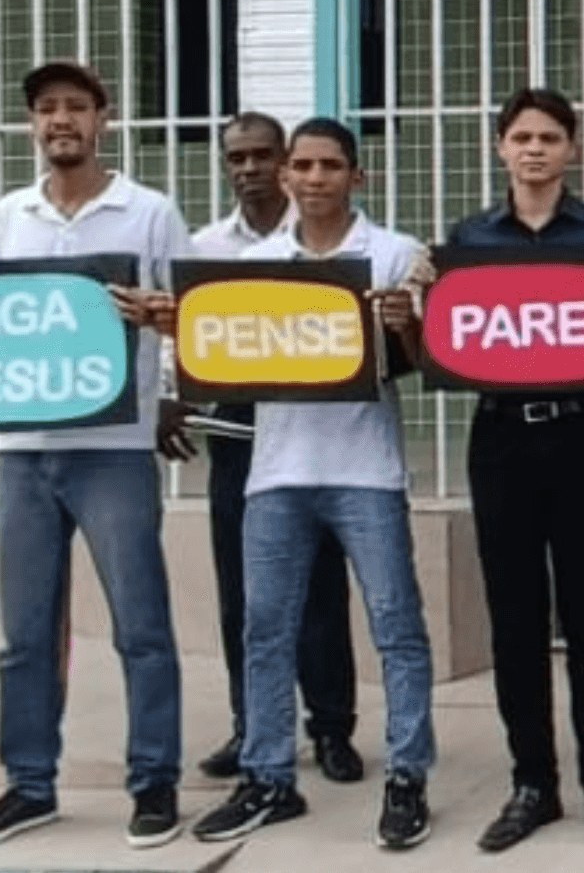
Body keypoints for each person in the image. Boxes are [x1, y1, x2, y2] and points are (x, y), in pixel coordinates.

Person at [0, 62, 193, 854]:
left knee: (142, 625)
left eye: (76, 107)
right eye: (47, 108)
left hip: (113, 449)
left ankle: (154, 779)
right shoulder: (12, 213)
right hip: (24, 452)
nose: (61, 119)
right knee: (24, 634)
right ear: (33, 124)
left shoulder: (150, 211)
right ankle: (29, 784)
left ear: (104, 118)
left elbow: (194, 314)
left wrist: (159, 326)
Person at [189, 119, 436, 850]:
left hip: (366, 469)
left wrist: (404, 325)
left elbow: (425, 362)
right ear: (288, 176)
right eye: (303, 165)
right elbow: (226, 355)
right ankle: (268, 776)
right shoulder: (254, 263)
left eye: (331, 165)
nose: (316, 177)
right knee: (265, 629)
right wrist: (178, 327)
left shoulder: (394, 253)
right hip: (277, 472)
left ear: (357, 176)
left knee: (396, 626)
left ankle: (407, 776)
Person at [422, 86, 584, 852]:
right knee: (515, 621)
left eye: (549, 137)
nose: (534, 149)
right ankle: (532, 781)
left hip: (583, 435)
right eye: (521, 136)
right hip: (501, 440)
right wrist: (421, 296)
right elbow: (448, 338)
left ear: (571, 148)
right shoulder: (469, 238)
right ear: (500, 146)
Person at [188, 112, 361, 788]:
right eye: (237, 157)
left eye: (262, 155)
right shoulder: (205, 245)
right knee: (243, 592)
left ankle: (332, 727)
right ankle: (252, 725)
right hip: (238, 428)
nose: (249, 168)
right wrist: (173, 396)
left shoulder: (321, 238)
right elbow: (184, 331)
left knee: (319, 588)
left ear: (285, 163)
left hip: (312, 425)